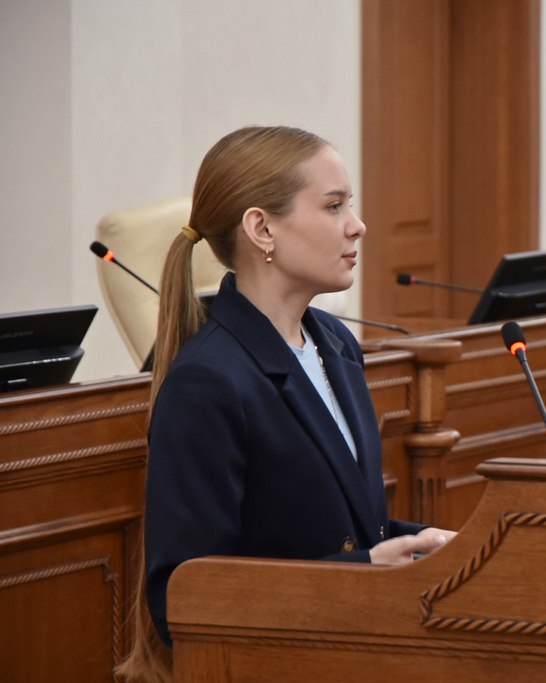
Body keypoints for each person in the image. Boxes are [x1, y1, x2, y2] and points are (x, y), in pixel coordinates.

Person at [118, 126, 454, 682]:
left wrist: (435, 548)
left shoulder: (335, 342)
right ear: (261, 228)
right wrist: (363, 570)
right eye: (333, 206)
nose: (357, 225)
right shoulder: (207, 381)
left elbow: (347, 527)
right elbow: (184, 598)